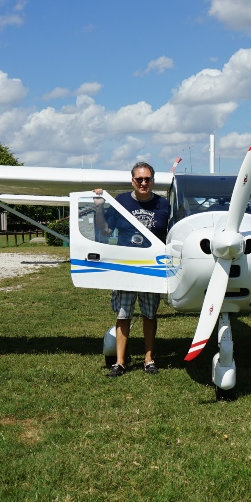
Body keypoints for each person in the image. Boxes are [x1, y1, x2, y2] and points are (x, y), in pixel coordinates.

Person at [93, 161, 171, 377]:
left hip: (152, 265)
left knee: (149, 314)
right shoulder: (121, 201)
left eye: (147, 179)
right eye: (139, 179)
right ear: (133, 181)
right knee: (123, 313)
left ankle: (149, 359)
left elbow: (173, 233)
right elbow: (106, 230)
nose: (143, 182)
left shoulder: (163, 205)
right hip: (126, 265)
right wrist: (99, 207)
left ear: (153, 181)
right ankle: (120, 362)